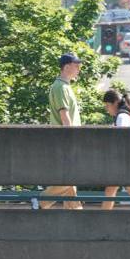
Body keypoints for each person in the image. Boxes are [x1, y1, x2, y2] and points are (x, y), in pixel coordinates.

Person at [41, 53, 85, 209]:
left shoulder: (64, 86)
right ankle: (41, 201)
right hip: (67, 141)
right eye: (76, 65)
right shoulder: (60, 87)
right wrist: (72, 140)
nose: (79, 68)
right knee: (71, 179)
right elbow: (65, 117)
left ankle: (75, 215)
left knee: (71, 182)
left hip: (66, 141)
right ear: (66, 67)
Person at [101, 90, 130, 211]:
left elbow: (122, 138)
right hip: (129, 161)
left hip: (124, 162)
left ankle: (102, 224)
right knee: (126, 191)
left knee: (111, 191)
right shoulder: (125, 115)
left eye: (108, 106)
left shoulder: (122, 117)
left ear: (115, 103)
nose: (107, 109)